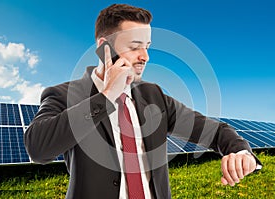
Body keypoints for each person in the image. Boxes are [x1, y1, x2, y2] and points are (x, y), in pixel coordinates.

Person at [24, 3, 261, 199]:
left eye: (147, 47)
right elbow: (38, 149)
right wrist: (105, 97)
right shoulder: (63, 95)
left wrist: (242, 152)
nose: (145, 56)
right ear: (103, 47)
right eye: (135, 47)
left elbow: (215, 131)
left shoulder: (153, 96)